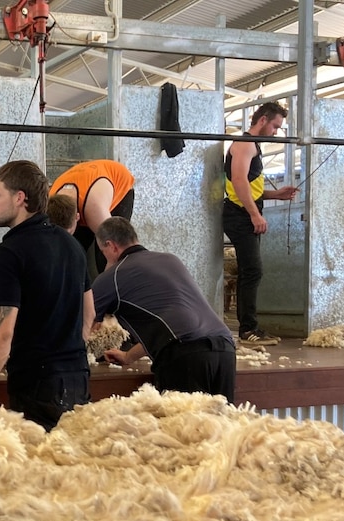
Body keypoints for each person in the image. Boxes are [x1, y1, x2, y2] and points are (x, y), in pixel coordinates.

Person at [0, 160, 92, 431]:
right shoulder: (72, 245)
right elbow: (90, 314)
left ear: (19, 198)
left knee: (38, 467)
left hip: (39, 386)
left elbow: (1, 334)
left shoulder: (8, 253)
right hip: (78, 378)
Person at [92, 217, 236, 402]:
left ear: (111, 246)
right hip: (224, 349)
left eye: (103, 252)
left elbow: (85, 319)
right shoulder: (171, 260)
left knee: (182, 428)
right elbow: (174, 323)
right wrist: (128, 356)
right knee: (225, 426)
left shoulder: (112, 275)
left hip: (185, 356)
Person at [223, 101, 299, 346]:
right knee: (252, 270)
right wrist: (255, 214)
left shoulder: (252, 146)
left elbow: (249, 185)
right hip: (239, 215)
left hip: (243, 211)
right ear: (263, 120)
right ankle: (247, 329)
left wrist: (275, 195)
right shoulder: (245, 144)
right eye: (275, 126)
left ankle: (250, 327)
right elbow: (238, 180)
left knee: (250, 271)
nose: (276, 132)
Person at [49, 159, 135, 274]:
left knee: (105, 254)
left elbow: (117, 250)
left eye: (69, 231)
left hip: (117, 182)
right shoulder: (49, 203)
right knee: (73, 249)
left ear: (77, 217)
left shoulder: (95, 210)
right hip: (85, 179)